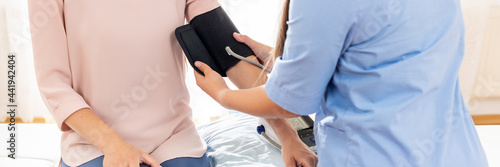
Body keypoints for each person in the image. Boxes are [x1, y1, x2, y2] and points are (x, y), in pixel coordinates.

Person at [194, 0, 489, 166]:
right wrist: (285, 60)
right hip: (458, 154)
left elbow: (289, 102)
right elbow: (388, 58)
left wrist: (221, 94)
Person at [28, 0, 316, 166]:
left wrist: (287, 135)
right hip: (93, 144)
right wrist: (114, 146)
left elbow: (231, 54)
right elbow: (54, 85)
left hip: (173, 139)